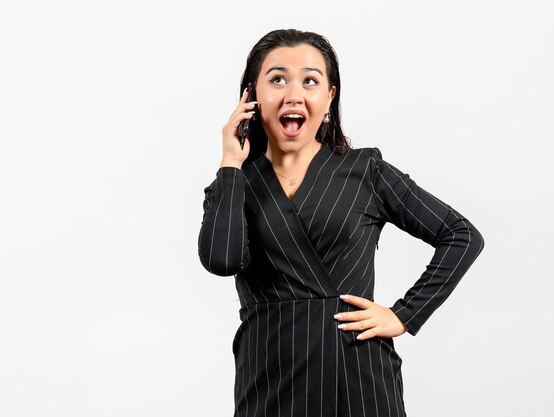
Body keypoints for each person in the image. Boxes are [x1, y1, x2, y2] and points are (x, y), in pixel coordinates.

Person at [198, 28, 484, 417]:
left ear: (329, 96)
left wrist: (404, 315)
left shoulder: (365, 170)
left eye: (310, 81)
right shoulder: (234, 183)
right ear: (252, 95)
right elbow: (221, 261)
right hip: (268, 376)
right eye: (277, 78)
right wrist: (230, 163)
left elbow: (461, 235)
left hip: (358, 377)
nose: (294, 94)